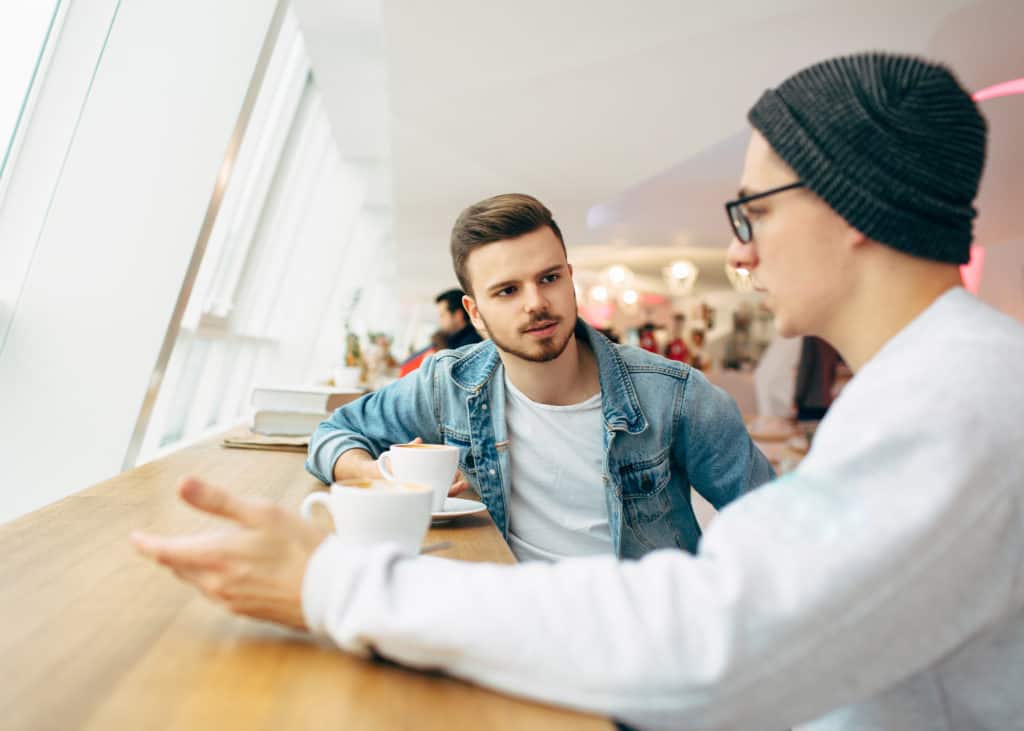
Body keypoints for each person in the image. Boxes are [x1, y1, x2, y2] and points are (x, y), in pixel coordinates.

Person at [133, 53, 1024, 731]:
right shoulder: (939, 382)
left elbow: (707, 639)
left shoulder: (953, 403)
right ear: (477, 312)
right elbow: (770, 576)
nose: (741, 251)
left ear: (848, 202)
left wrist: (333, 583)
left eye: (753, 210)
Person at [307, 194, 772, 561]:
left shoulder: (674, 395)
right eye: (507, 290)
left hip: (642, 639)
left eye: (548, 278)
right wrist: (377, 474)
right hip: (509, 630)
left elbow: (776, 525)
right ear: (476, 313)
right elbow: (332, 434)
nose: (535, 303)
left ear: (570, 279)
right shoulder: (447, 385)